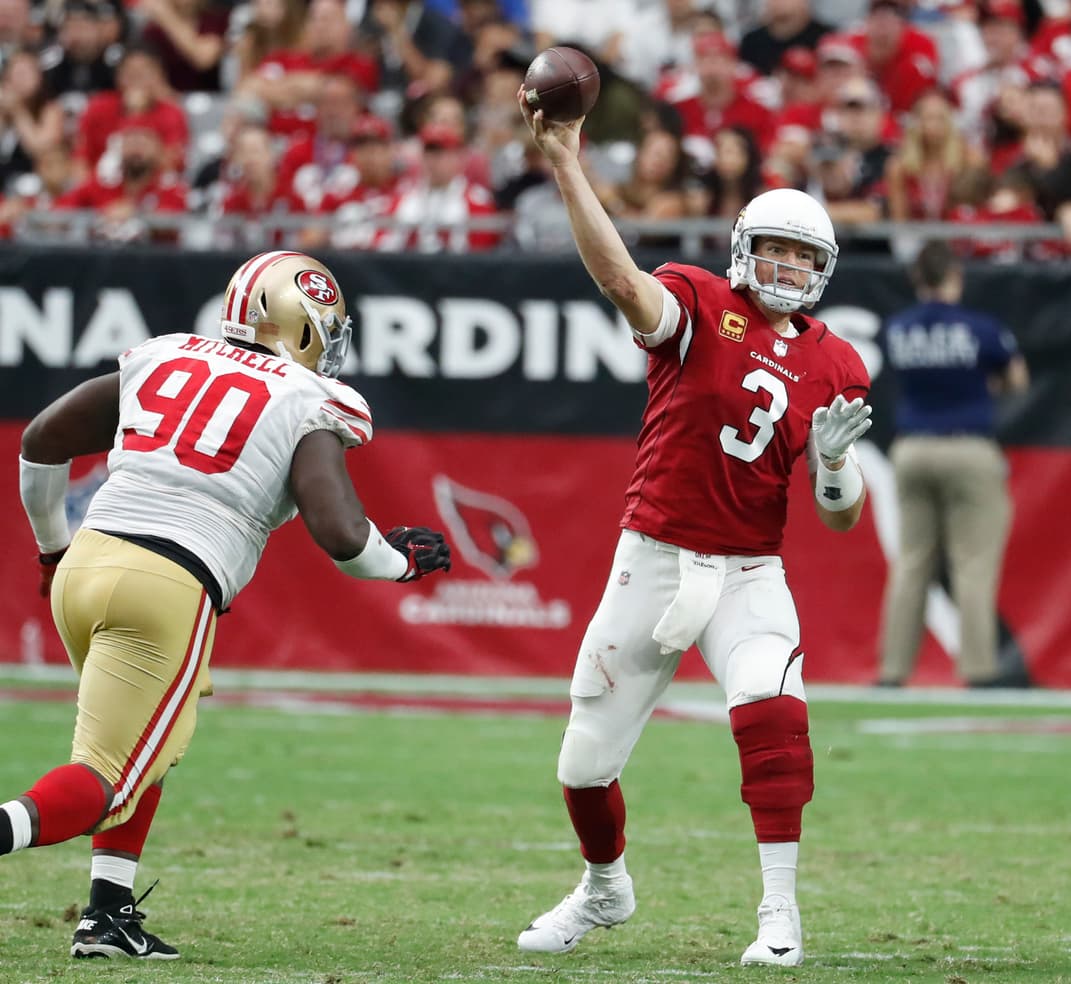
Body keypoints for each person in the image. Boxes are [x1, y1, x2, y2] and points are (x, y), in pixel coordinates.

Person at [513, 82, 874, 968]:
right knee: (583, 766)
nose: (787, 270)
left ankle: (779, 913)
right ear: (745, 250)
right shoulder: (699, 304)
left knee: (772, 711)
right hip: (655, 558)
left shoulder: (836, 363)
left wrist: (831, 462)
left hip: (750, 572)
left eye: (803, 258)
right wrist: (567, 162)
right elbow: (619, 278)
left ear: (822, 269)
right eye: (776, 253)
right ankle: (604, 888)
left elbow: (843, 515)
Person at [2, 250, 452, 960]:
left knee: (147, 744)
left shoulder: (166, 354)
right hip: (167, 585)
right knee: (105, 780)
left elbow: (41, 441)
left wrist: (54, 552)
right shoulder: (306, 400)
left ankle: (107, 914)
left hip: (87, 566)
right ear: (298, 325)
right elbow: (340, 534)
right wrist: (401, 563)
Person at [877, 240, 1029, 688]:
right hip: (968, 447)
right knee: (973, 564)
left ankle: (892, 671)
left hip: (911, 449)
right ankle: (978, 670)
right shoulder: (980, 328)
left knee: (910, 565)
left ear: (917, 280)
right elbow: (1016, 378)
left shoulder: (898, 328)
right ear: (954, 276)